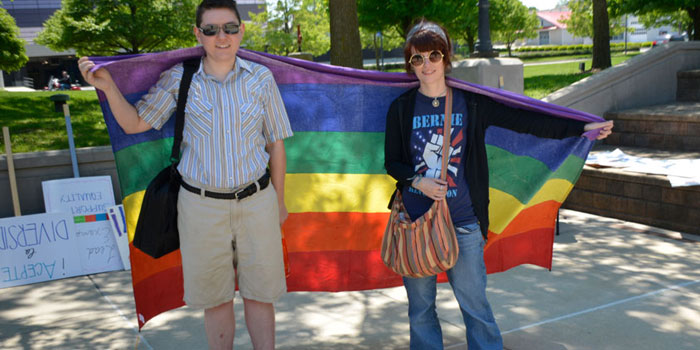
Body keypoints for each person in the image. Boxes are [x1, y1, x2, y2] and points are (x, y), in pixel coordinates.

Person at [383, 20, 613, 350]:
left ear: (446, 58)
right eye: (416, 59)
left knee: (476, 309)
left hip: (464, 223)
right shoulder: (402, 109)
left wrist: (580, 127)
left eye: (433, 55)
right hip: (416, 223)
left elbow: (527, 120)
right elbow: (392, 161)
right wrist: (417, 180)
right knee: (420, 310)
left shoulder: (472, 103)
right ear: (410, 64)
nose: (426, 65)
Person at [78, 1, 293, 349]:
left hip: (257, 202)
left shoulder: (261, 79)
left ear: (241, 30)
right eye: (211, 29)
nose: (221, 36)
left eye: (229, 28)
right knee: (216, 299)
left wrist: (279, 202)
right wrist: (107, 87)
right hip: (200, 207)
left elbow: (277, 146)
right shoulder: (181, 78)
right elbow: (135, 123)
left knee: (260, 296)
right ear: (198, 34)